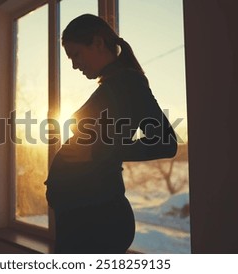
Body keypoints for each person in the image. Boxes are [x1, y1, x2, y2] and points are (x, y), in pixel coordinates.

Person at [44, 14, 178, 254]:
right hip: (84, 219)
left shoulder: (129, 84)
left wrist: (98, 151)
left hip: (98, 221)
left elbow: (165, 143)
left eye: (76, 54)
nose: (74, 65)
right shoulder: (113, 84)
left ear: (97, 42)